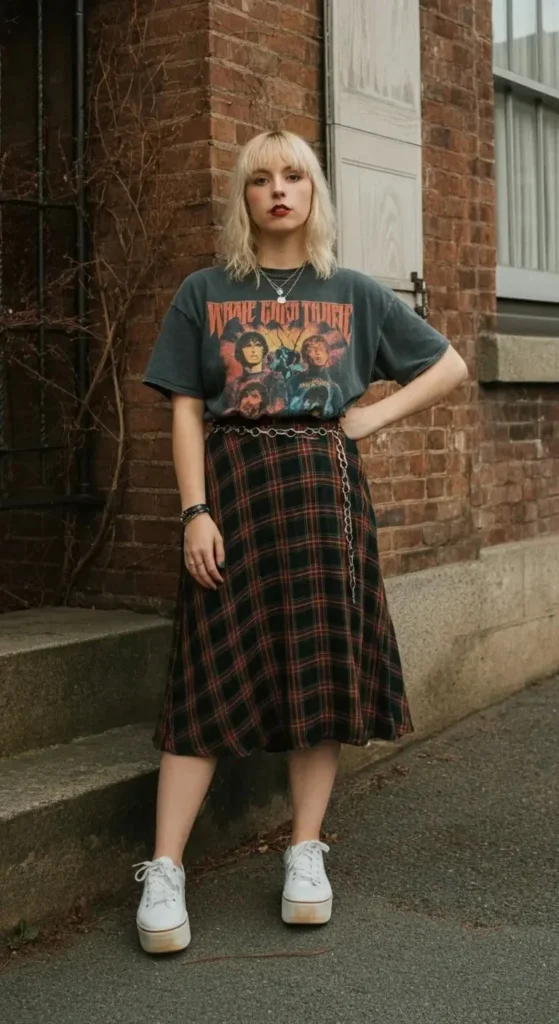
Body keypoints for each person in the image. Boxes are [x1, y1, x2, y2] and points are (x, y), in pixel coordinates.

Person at [136, 129, 468, 955]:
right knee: (208, 673)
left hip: (325, 491)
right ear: (242, 198)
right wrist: (193, 512)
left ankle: (303, 854)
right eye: (260, 179)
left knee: (318, 670)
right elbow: (183, 407)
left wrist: (371, 418)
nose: (277, 190)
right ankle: (165, 868)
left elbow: (449, 365)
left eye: (293, 176)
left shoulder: (351, 291)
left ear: (314, 191)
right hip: (235, 491)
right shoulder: (203, 292)